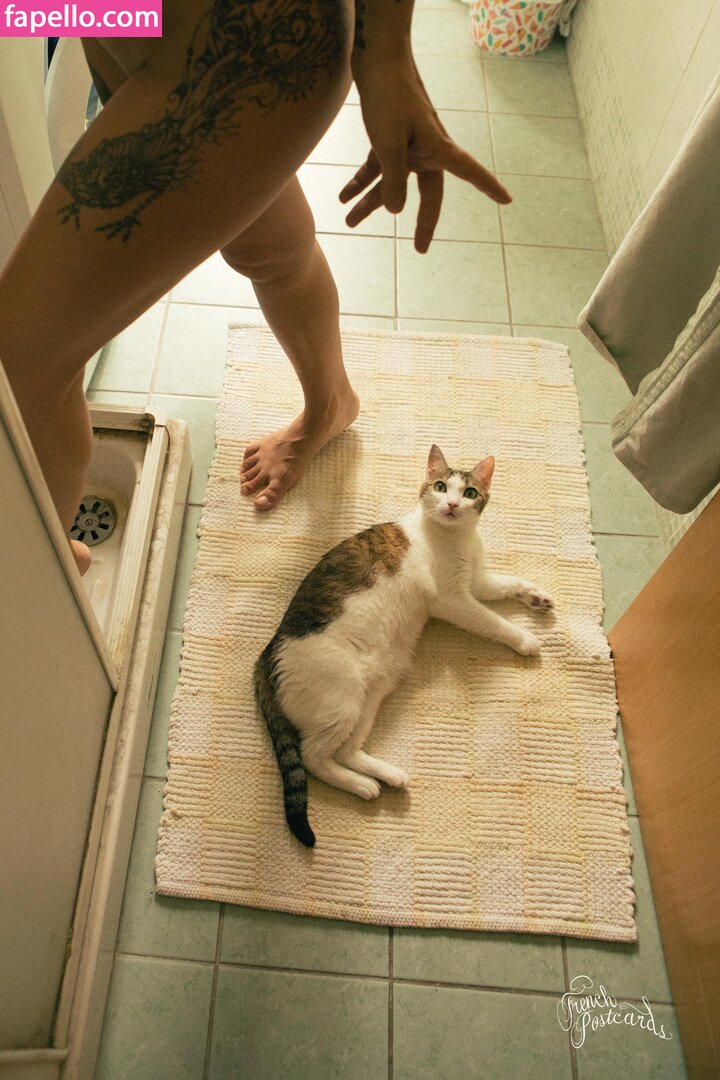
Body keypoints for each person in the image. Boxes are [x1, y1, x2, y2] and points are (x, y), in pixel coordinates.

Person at [0, 0, 511, 575]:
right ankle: (331, 401)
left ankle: (46, 578)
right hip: (99, 11)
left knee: (17, 367)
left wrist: (388, 55)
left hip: (243, 28)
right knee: (268, 248)